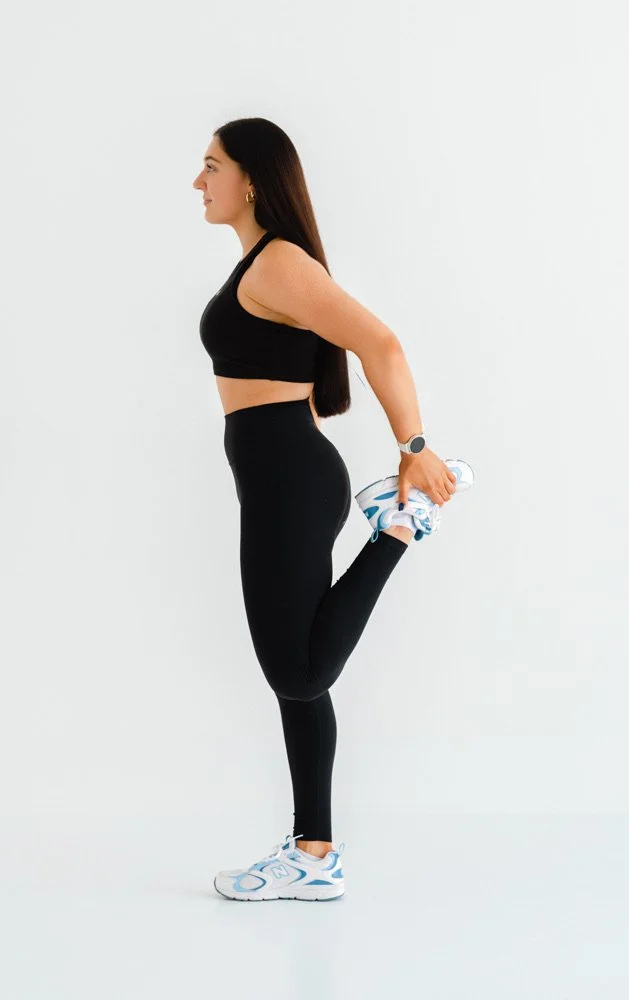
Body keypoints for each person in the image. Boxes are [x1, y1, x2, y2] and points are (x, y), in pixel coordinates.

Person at [192, 118, 474, 902]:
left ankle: (397, 528)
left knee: (299, 667)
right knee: (297, 682)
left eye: (210, 166)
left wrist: (415, 445)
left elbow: (381, 343)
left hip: (288, 477)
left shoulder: (278, 264)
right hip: (280, 474)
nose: (198, 182)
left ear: (252, 179)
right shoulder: (260, 265)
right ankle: (313, 854)